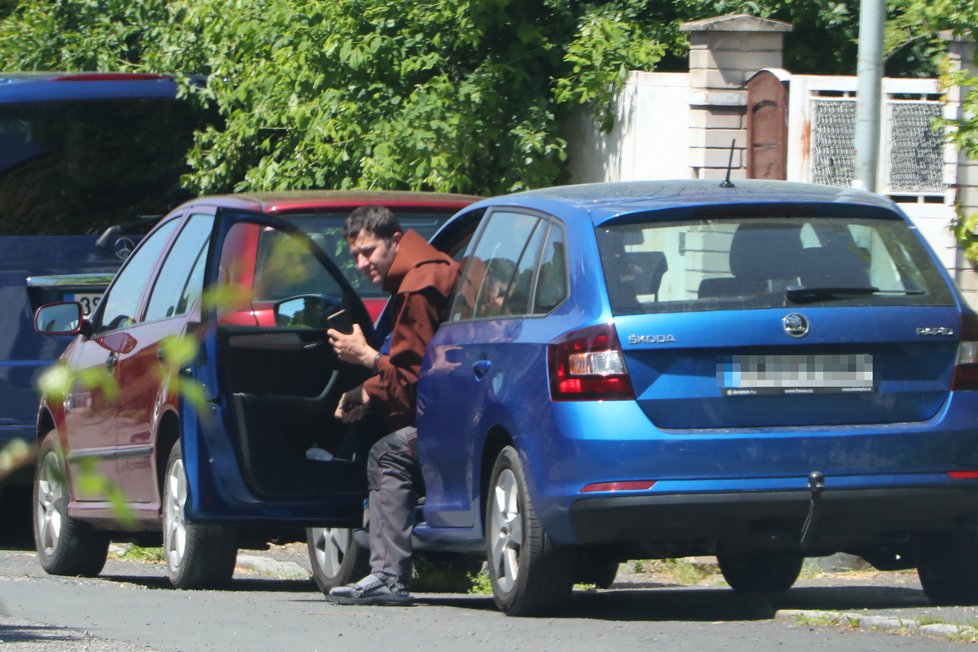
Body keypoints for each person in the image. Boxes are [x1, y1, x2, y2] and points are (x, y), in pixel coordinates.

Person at [325, 204, 459, 606]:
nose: (363, 263)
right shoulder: (430, 268)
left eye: (369, 251)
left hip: (448, 424)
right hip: (465, 410)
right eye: (356, 257)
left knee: (387, 454)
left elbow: (412, 384)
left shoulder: (416, 286)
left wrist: (365, 357)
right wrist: (368, 390)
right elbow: (408, 369)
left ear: (396, 241)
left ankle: (388, 575)